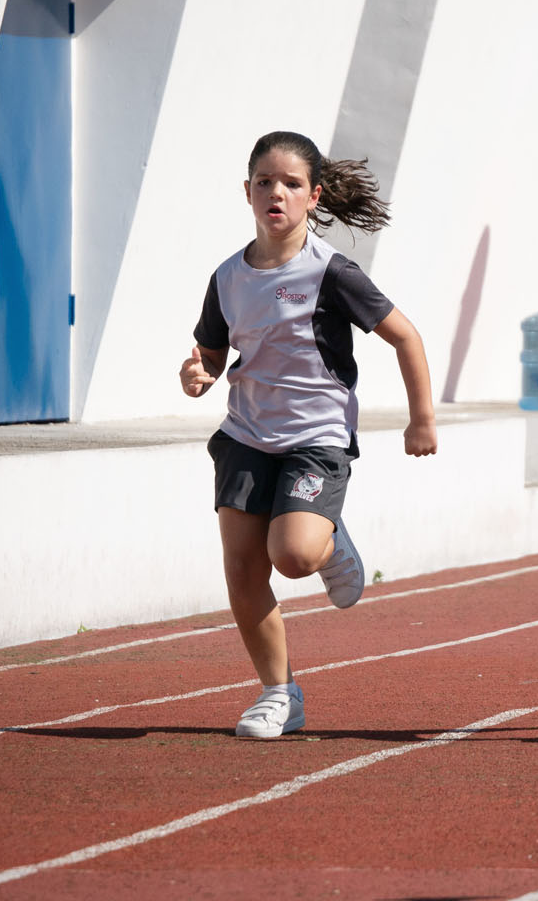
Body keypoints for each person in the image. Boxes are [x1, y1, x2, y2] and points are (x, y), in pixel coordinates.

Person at [180, 131, 438, 739]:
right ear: (247, 192)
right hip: (245, 434)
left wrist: (421, 417)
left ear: (313, 196)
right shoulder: (226, 276)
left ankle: (329, 541)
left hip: (315, 436)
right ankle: (279, 693)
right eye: (265, 182)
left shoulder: (331, 272)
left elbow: (407, 337)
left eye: (291, 184)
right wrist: (198, 373)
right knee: (243, 571)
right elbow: (212, 354)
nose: (277, 192)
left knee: (292, 555)